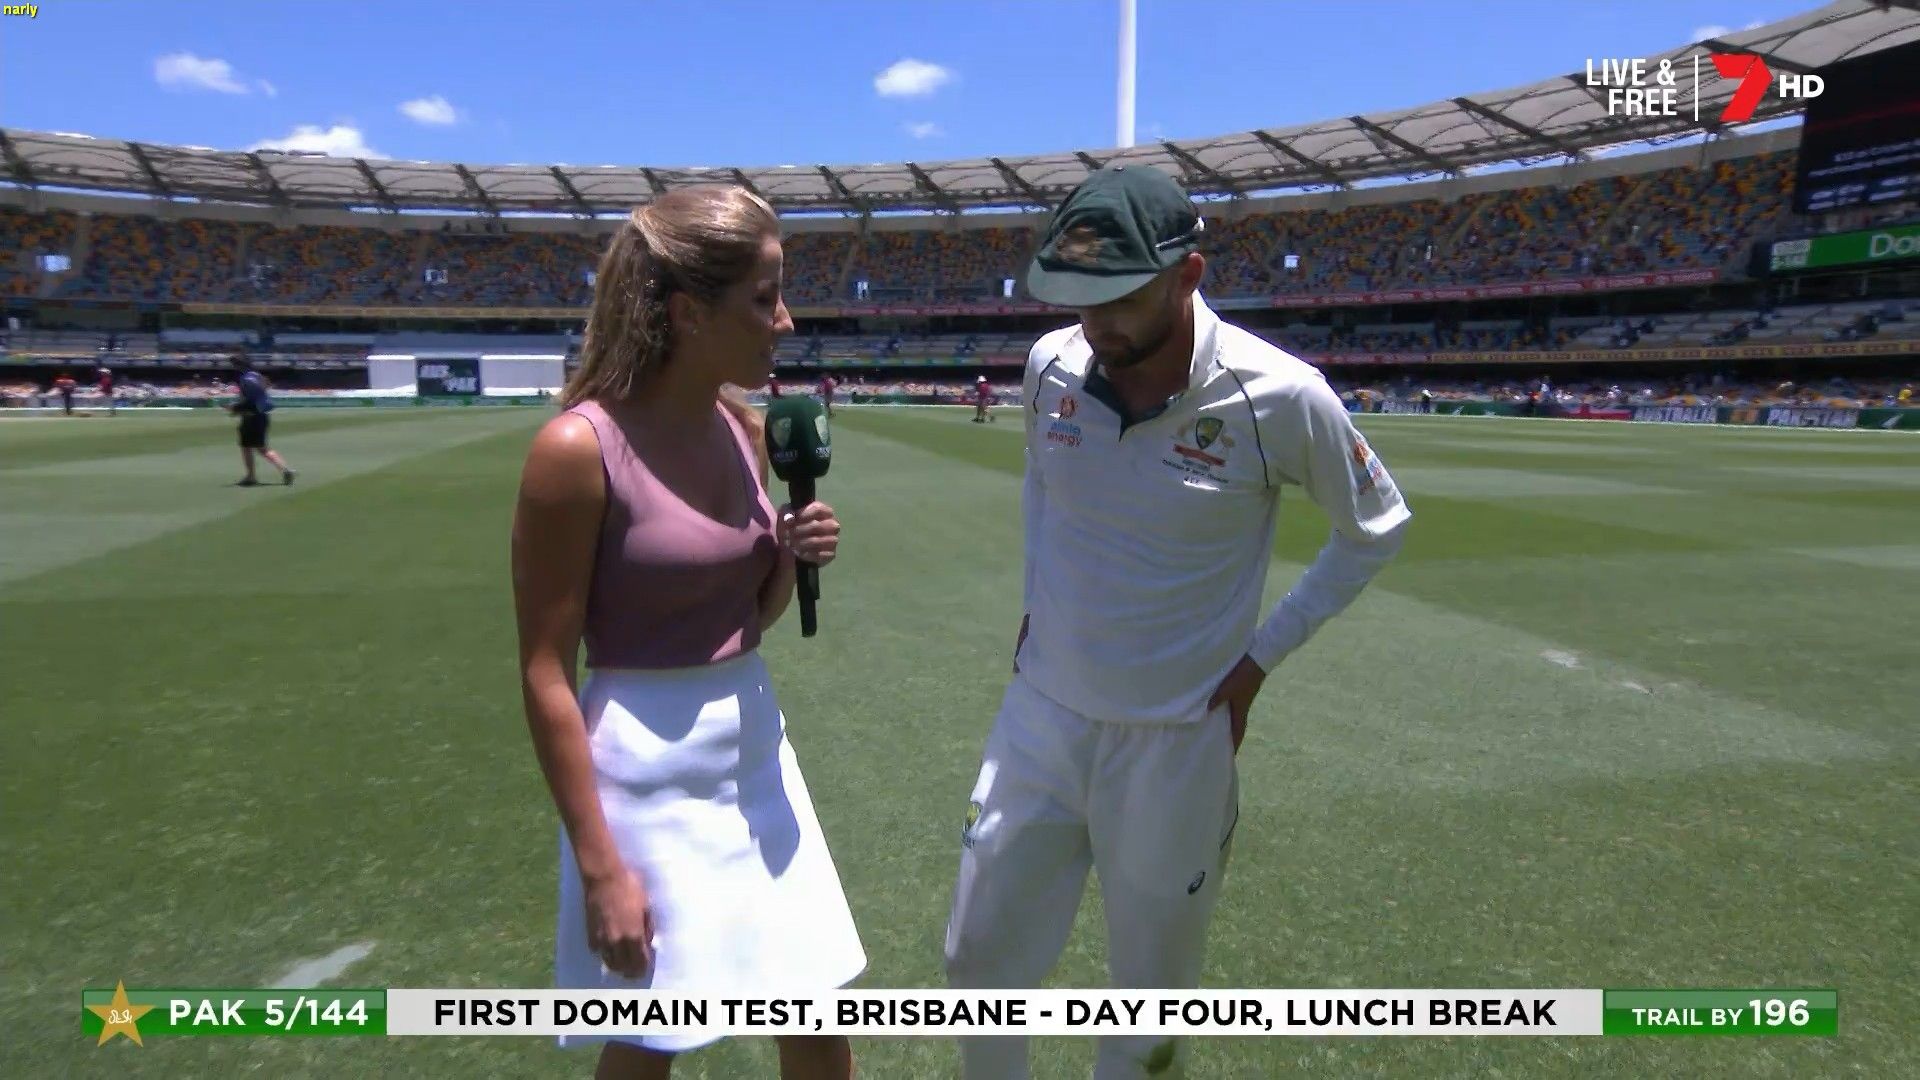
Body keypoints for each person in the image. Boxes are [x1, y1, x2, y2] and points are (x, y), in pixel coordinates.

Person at [943, 165, 1412, 1079]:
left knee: (1149, 1012)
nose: (1096, 323)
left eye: (1119, 297)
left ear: (1188, 275)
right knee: (976, 961)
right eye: (1079, 299)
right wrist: (1037, 603)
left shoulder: (1282, 395)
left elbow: (1376, 528)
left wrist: (1261, 659)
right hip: (1042, 717)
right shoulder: (1049, 367)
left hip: (1178, 739)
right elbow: (1045, 483)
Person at [510, 187, 865, 1080]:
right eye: (763, 297)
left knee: (817, 1015)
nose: (785, 321)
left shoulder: (744, 431)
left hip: (756, 756)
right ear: (686, 312)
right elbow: (545, 672)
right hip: (642, 782)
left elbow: (743, 623)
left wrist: (789, 556)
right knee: (648, 1040)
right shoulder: (575, 451)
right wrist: (600, 867)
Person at [227, 358, 295, 486]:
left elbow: (250, 401)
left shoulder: (246, 379)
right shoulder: (258, 376)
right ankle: (285, 469)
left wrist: (235, 408)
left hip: (251, 417)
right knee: (263, 448)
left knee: (246, 447)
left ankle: (251, 476)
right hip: (263, 416)